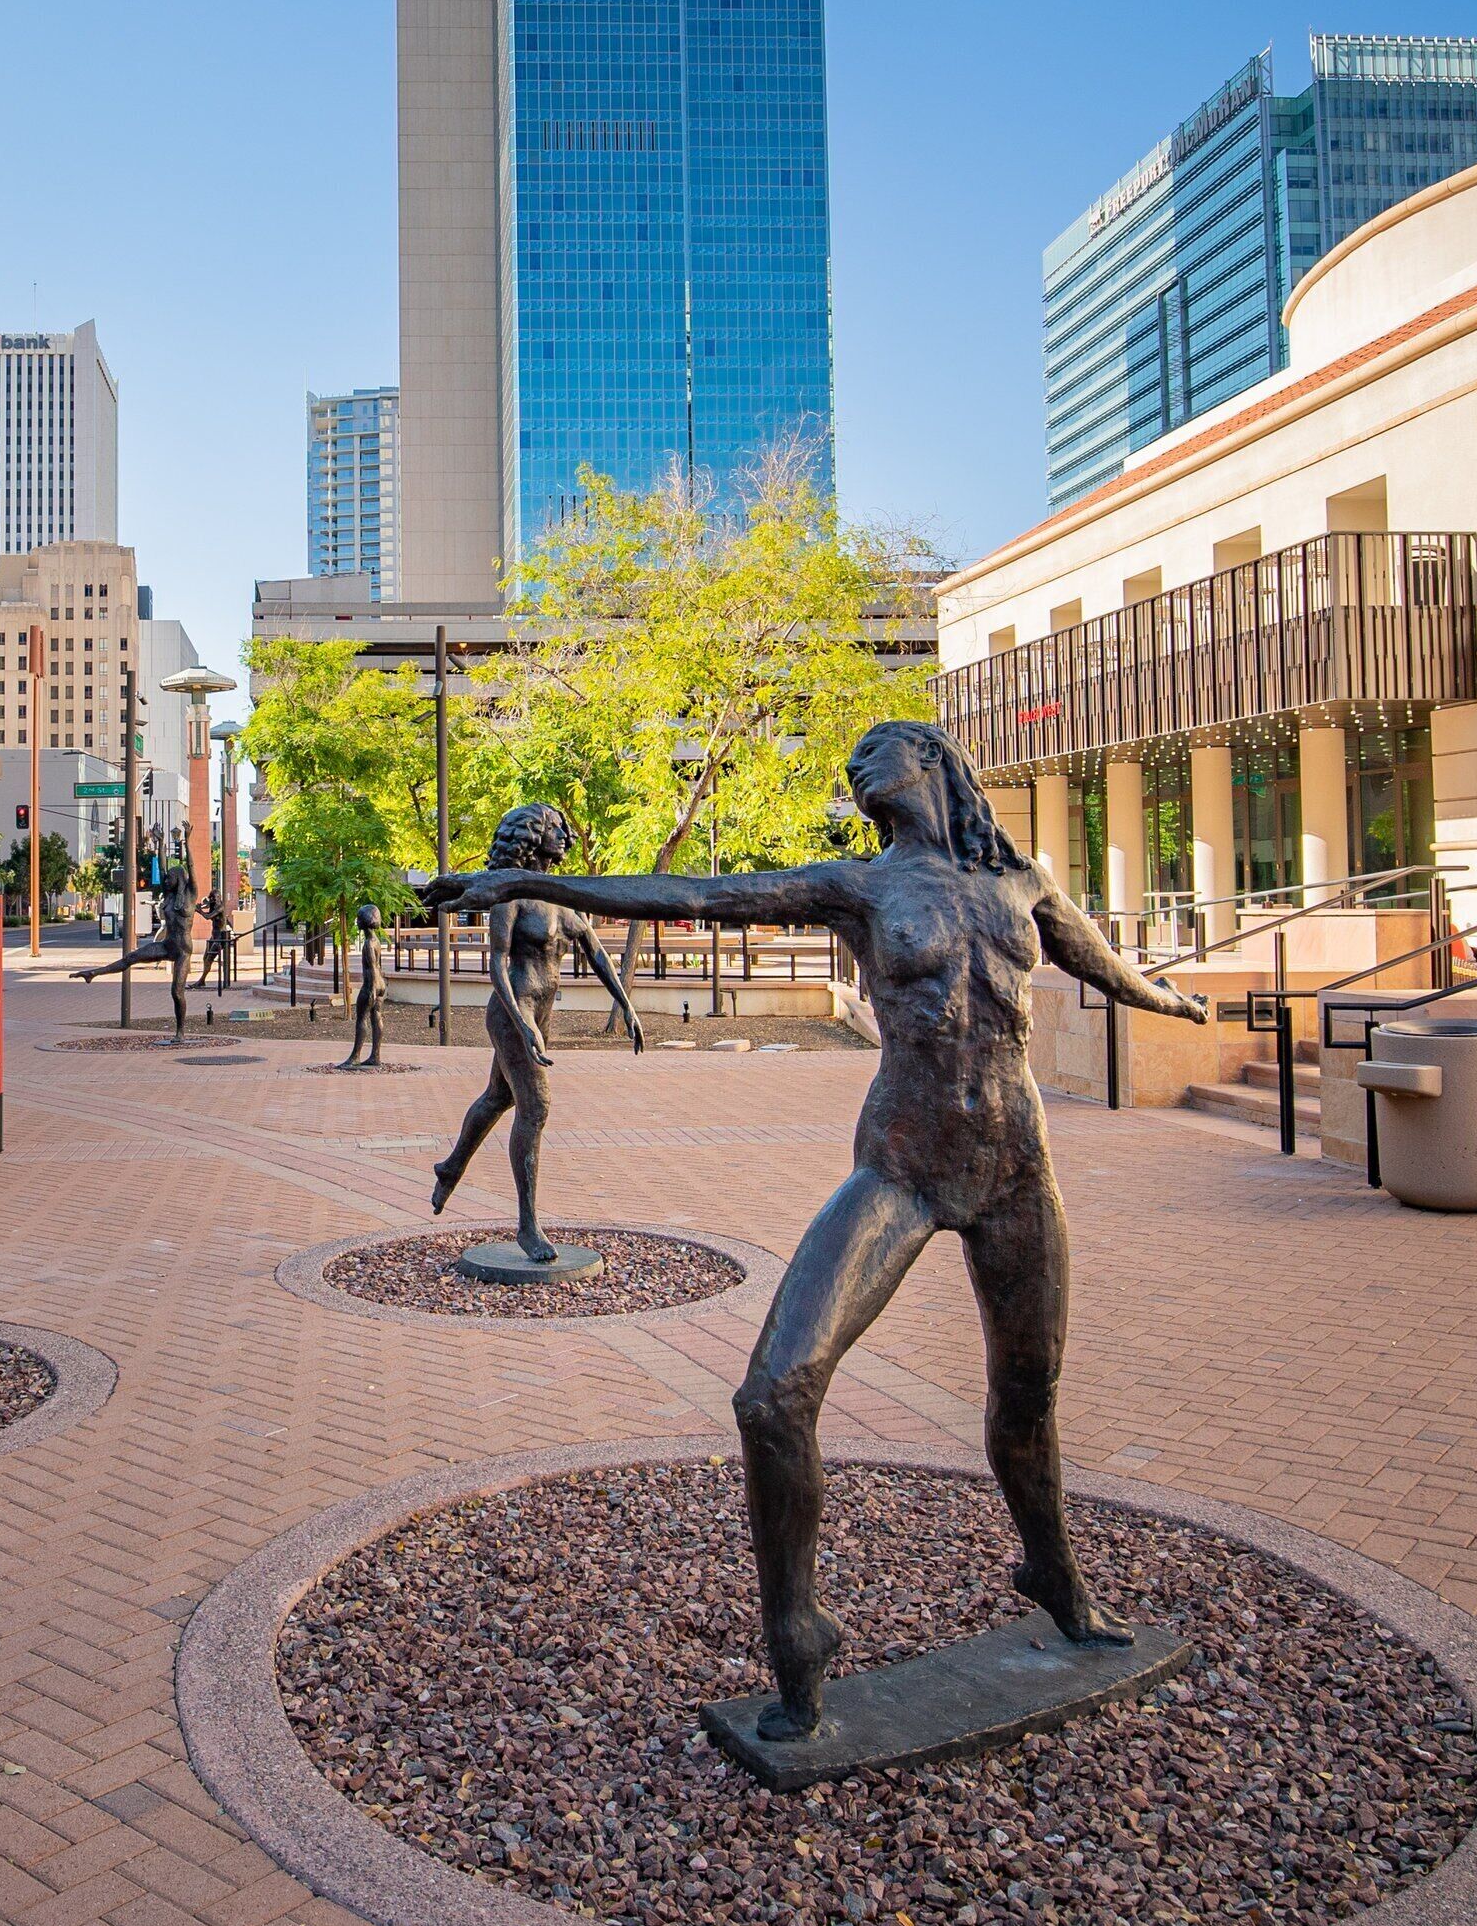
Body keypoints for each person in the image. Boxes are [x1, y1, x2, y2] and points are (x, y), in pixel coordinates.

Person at [431, 719, 1215, 1742]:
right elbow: (698, 897)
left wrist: (1171, 999)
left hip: (1019, 1167)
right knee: (773, 1393)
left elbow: (1100, 963)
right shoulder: (861, 887)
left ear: (932, 762)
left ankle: (1056, 1576)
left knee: (1029, 1395)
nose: (855, 768)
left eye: (874, 750)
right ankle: (798, 1636)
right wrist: (531, 887)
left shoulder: (1018, 885)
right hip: (904, 1163)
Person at [430, 804, 641, 1260]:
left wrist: (625, 1005)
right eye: (555, 829)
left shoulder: (562, 897)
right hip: (513, 1011)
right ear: (531, 837)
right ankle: (527, 1225)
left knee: (499, 1096)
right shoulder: (511, 897)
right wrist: (522, 1024)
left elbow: (596, 951)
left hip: (540, 1014)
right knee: (536, 1107)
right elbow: (498, 963)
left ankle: (450, 1167)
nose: (565, 836)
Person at [72, 866, 198, 1036]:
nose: (166, 881)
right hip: (167, 945)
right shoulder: (168, 896)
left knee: (177, 992)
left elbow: (190, 866)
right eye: (165, 878)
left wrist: (187, 841)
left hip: (183, 950)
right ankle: (93, 973)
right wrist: (160, 843)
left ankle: (180, 1031)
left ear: (179, 878)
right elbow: (161, 866)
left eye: (169, 878)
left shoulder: (190, 895)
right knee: (131, 957)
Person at [338, 902, 388, 1068]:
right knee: (377, 1017)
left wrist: (372, 988)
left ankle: (355, 1056)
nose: (356, 921)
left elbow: (373, 966)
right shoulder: (376, 940)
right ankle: (375, 1055)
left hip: (371, 984)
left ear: (365, 920)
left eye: (358, 918)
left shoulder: (368, 944)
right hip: (381, 983)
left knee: (362, 1018)